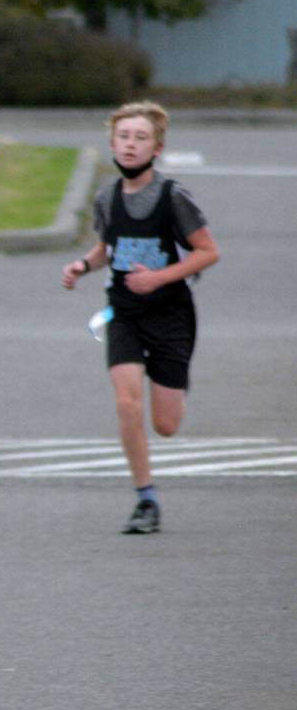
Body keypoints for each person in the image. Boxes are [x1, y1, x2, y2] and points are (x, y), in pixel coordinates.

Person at [61, 101, 219, 534]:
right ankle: (145, 500)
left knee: (165, 426)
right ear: (112, 143)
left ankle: (173, 381)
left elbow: (208, 252)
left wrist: (160, 278)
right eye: (124, 137)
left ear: (158, 147)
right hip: (125, 314)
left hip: (170, 316)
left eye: (141, 138)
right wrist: (82, 265)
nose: (131, 145)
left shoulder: (173, 197)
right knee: (127, 402)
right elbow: (107, 248)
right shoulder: (107, 196)